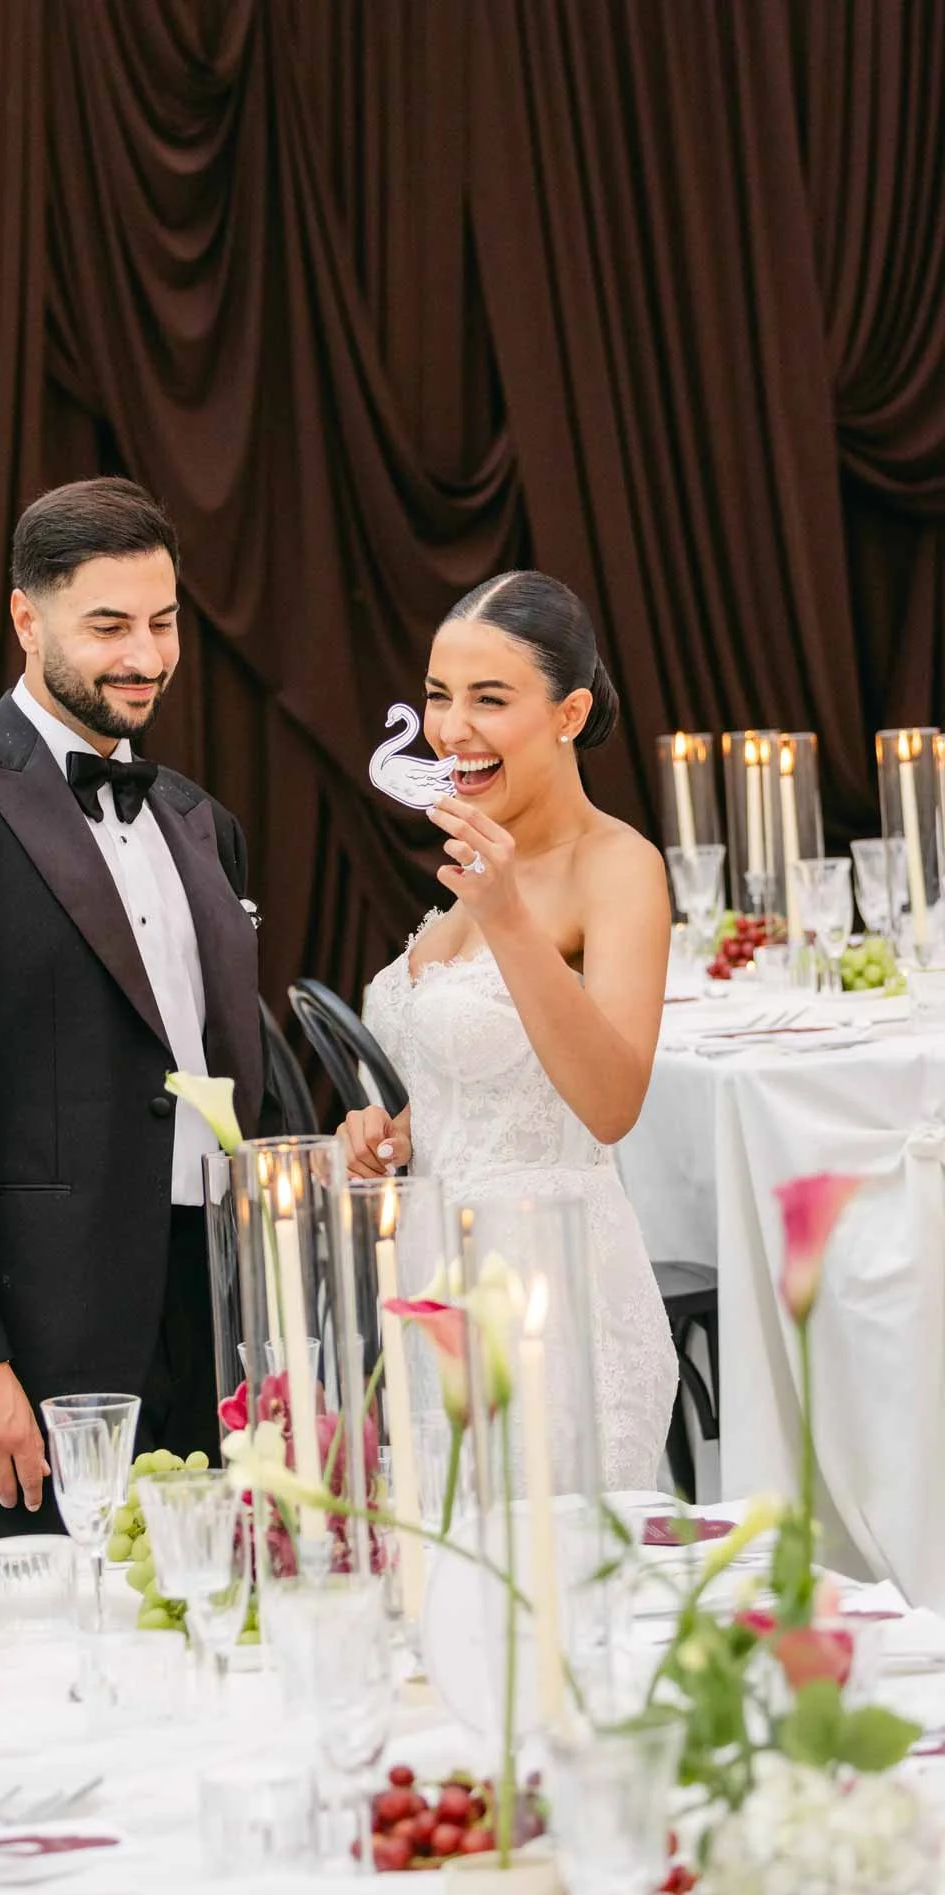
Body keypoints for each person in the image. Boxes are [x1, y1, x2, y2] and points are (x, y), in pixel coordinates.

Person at [0, 477, 278, 1537]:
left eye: (163, 622)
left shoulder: (198, 820)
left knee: (221, 1632)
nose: (145, 655)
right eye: (109, 626)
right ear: (24, 618)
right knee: (71, 1657)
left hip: (220, 1313)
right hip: (49, 1336)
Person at [341, 571, 677, 1488]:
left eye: (490, 699)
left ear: (568, 714)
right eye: (440, 696)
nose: (452, 729)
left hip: (555, 1300)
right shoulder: (481, 857)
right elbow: (488, 1081)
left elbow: (610, 1103)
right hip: (437, 1292)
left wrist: (509, 920)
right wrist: (391, 1133)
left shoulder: (616, 864)